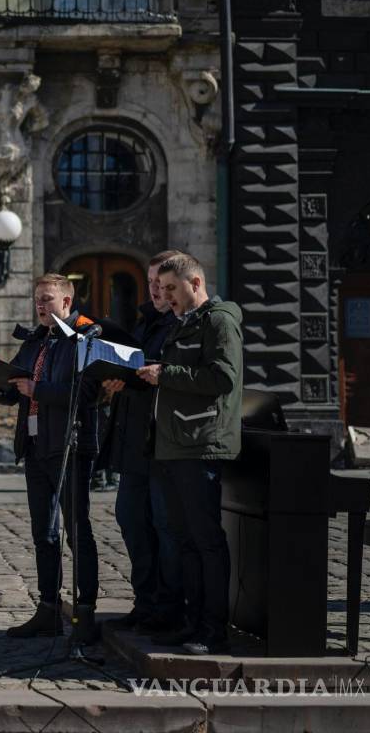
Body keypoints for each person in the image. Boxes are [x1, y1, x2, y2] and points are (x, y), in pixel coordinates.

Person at [137, 252, 243, 656]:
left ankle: (213, 629)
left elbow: (223, 377)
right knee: (184, 541)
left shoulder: (219, 321)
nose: (166, 297)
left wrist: (166, 374)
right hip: (173, 443)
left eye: (170, 289)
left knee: (206, 540)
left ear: (195, 283)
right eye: (161, 289)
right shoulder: (183, 325)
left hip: (201, 443)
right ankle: (191, 621)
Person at [0, 273, 101, 644]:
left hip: (69, 446)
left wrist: (40, 389)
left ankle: (85, 612)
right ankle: (48, 609)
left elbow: (86, 393)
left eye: (47, 299)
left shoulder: (86, 338)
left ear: (67, 302)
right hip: (37, 446)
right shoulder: (37, 341)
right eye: (37, 299)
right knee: (44, 533)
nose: (40, 305)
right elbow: (15, 387)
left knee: (77, 531)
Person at [98, 252, 183, 636]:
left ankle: (168, 608)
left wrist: (139, 373)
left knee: (164, 527)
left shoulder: (181, 323)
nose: (155, 290)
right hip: (133, 440)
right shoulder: (146, 320)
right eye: (151, 283)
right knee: (131, 520)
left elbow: (169, 372)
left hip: (162, 440)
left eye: (161, 284)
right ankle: (144, 602)